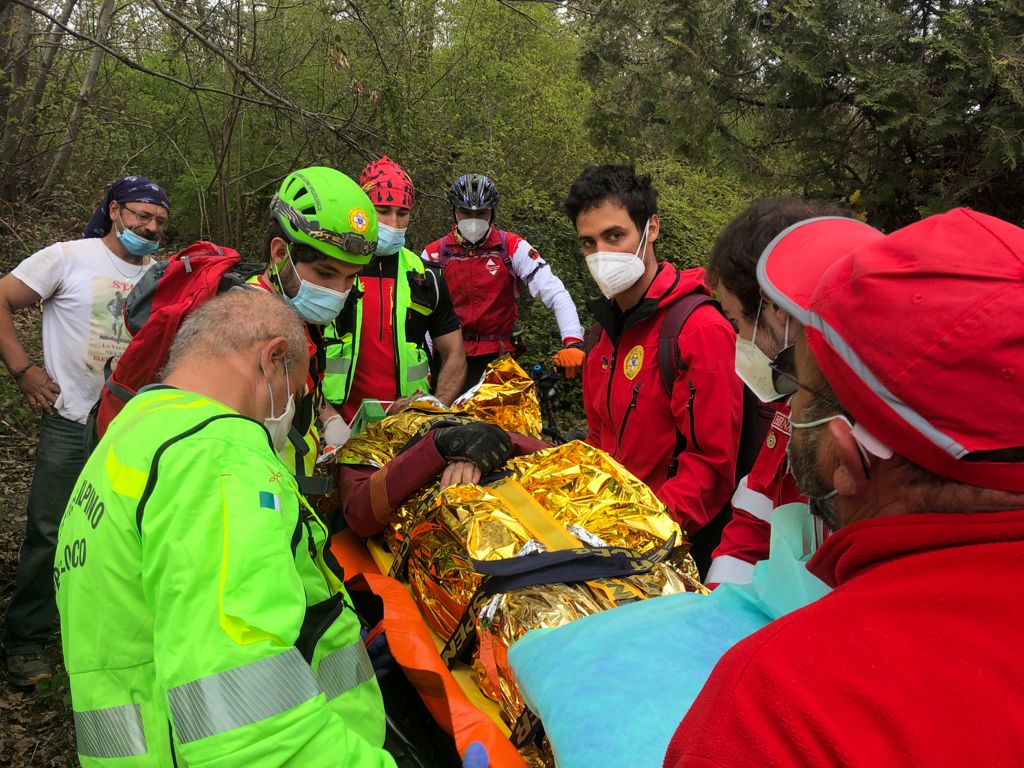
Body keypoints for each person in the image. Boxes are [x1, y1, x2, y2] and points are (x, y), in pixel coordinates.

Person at [664, 209, 1024, 766]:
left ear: (846, 457)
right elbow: (752, 515)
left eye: (801, 386)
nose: (786, 407)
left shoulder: (771, 716)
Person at [55, 289, 398, 767]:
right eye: (295, 393)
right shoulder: (217, 456)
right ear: (273, 357)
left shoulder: (132, 437)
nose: (289, 413)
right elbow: (251, 730)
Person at [0, 175, 169, 686]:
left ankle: (103, 640)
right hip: (73, 421)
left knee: (123, 537)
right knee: (51, 531)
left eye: (160, 221)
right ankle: (25, 641)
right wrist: (23, 369)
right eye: (142, 215)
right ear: (115, 211)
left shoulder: (161, 274)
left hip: (134, 429)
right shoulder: (68, 257)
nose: (150, 226)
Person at [564, 164, 742, 544]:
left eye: (615, 235)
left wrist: (638, 534)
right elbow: (600, 442)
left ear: (652, 229)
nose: (601, 254)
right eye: (588, 243)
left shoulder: (698, 331)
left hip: (670, 543)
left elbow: (711, 467)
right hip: (608, 530)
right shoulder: (602, 334)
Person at [704, 198, 855, 586]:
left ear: (777, 310)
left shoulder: (876, 427)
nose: (738, 339)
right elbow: (754, 517)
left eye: (736, 321)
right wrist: (718, 607)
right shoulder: (797, 401)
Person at [248, 166, 376, 482]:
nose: (338, 292)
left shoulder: (297, 314)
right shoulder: (250, 328)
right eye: (326, 273)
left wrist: (329, 420)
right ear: (280, 253)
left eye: (350, 278)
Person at [323, 157, 466, 421]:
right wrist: (325, 419)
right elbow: (301, 355)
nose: (394, 223)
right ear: (362, 210)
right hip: (336, 422)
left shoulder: (425, 277)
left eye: (402, 213)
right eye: (383, 210)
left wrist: (436, 408)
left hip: (406, 423)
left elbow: (455, 353)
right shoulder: (330, 269)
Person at [422, 173, 585, 390]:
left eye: (481, 213)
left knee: (500, 423)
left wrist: (572, 340)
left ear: (493, 212)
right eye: (465, 212)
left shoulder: (510, 246)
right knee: (445, 421)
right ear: (453, 211)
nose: (473, 220)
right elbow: (423, 316)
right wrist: (425, 370)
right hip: (449, 357)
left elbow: (554, 291)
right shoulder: (434, 254)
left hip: (498, 359)